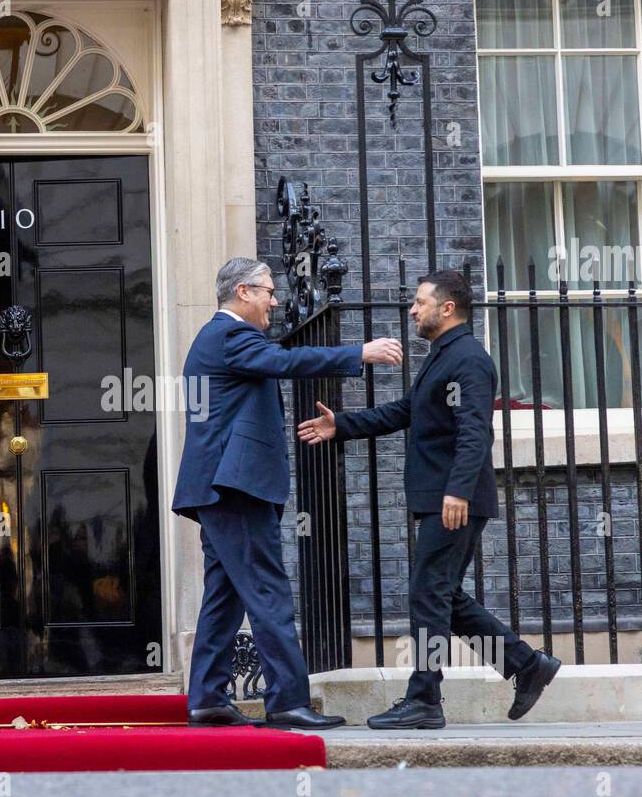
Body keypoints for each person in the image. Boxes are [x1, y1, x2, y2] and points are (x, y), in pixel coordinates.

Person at [297, 270, 561, 728]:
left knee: (428, 595)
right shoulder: (444, 358)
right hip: (444, 498)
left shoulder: (469, 360)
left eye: (420, 302)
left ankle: (424, 699)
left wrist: (457, 490)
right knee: (442, 595)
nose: (412, 310)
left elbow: (475, 431)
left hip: (454, 500)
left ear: (447, 308)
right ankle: (526, 665)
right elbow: (406, 411)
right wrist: (341, 424)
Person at [173, 257, 403, 729]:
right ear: (242, 292)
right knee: (268, 592)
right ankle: (286, 701)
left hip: (221, 487)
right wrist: (358, 352)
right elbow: (284, 361)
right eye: (268, 291)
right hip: (234, 488)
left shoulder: (218, 338)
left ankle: (207, 698)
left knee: (224, 597)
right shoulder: (230, 335)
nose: (275, 301)